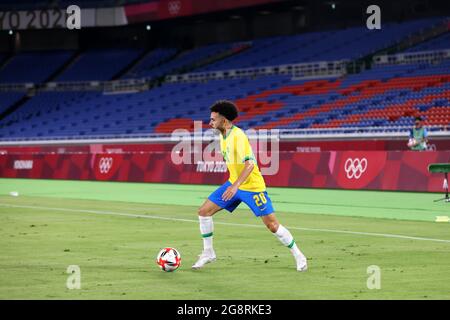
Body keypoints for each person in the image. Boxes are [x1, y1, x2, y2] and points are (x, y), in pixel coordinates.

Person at [192, 100, 308, 271]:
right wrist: (233, 184)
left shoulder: (238, 137)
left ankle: (299, 255)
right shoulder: (222, 135)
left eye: (213, 119)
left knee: (272, 225)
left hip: (252, 187)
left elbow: (250, 165)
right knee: (203, 212)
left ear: (224, 121)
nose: (210, 123)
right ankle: (208, 252)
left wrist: (235, 186)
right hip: (234, 183)